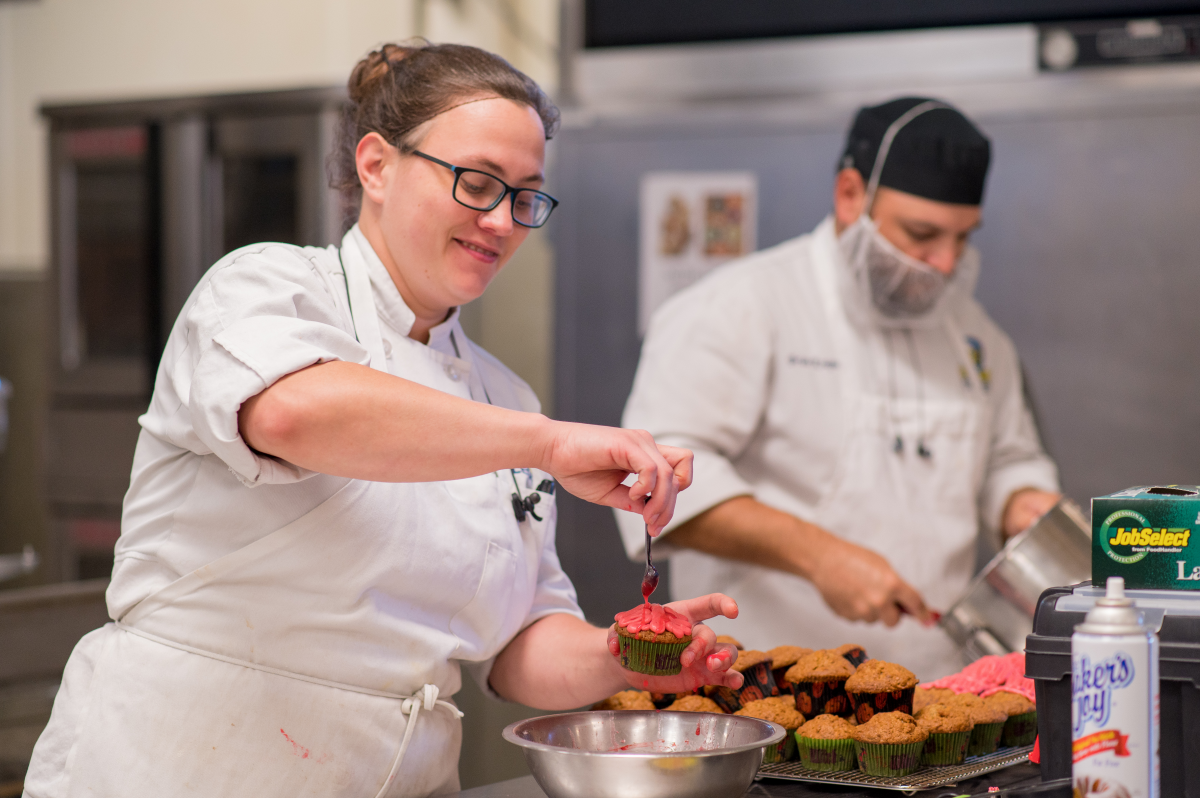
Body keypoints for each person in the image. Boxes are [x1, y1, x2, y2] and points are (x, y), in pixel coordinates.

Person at [24, 43, 742, 798]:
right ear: (376, 165)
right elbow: (298, 414)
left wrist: (616, 657)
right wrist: (553, 442)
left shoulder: (505, 398)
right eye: (476, 182)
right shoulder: (264, 288)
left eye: (526, 195)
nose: (502, 221)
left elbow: (518, 641)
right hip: (177, 769)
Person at [615, 98, 1061, 678]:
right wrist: (820, 556)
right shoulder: (740, 306)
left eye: (962, 238)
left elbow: (1009, 457)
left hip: (932, 691)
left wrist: (1019, 500)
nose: (945, 262)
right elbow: (651, 478)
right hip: (758, 689)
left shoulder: (975, 339)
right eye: (922, 234)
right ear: (851, 194)